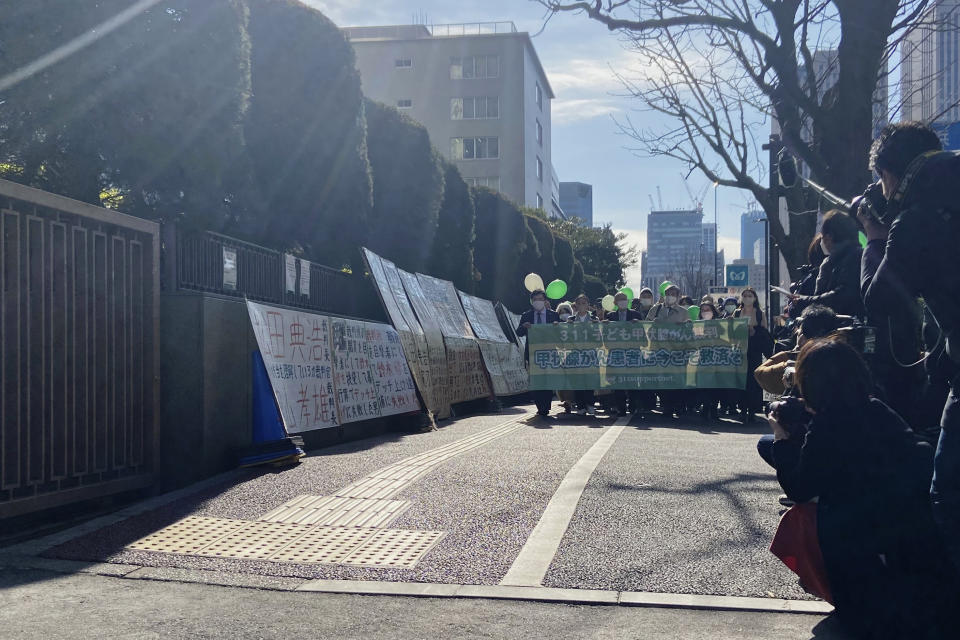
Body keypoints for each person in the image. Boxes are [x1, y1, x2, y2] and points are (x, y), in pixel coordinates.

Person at [768, 338, 953, 638]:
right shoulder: (876, 408)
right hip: (911, 533)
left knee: (802, 515)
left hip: (859, 542)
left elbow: (798, 488)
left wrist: (781, 440)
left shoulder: (827, 427)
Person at [859, 121, 960, 575]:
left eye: (883, 180)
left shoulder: (918, 216)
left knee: (949, 493)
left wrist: (877, 241)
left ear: (892, 173)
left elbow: (879, 297)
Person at [755, 305, 840, 470]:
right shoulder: (842, 353)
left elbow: (760, 374)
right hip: (847, 441)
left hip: (819, 436)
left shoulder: (808, 362)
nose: (796, 333)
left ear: (806, 335)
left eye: (800, 331)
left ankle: (807, 486)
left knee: (768, 440)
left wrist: (792, 362)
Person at [789, 210, 864, 319]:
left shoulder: (851, 258)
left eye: (823, 237)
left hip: (847, 328)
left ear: (829, 237)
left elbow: (841, 296)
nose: (822, 241)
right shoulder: (848, 257)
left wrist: (804, 300)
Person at [516, 289, 560, 416]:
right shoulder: (527, 315)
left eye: (540, 299)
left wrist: (557, 326)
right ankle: (540, 406)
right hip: (532, 354)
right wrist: (524, 326)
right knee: (536, 381)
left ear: (545, 300)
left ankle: (546, 406)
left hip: (549, 353)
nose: (538, 302)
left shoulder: (553, 315)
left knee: (547, 380)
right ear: (532, 301)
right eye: (535, 300)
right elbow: (518, 332)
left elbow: (562, 333)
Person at [734, 287, 771, 423]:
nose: (747, 298)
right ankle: (742, 409)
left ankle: (752, 409)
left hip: (754, 350)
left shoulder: (760, 313)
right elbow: (732, 330)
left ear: (755, 298)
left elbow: (764, 333)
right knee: (741, 379)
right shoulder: (737, 312)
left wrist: (753, 331)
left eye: (750, 296)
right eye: (745, 296)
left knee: (753, 379)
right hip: (740, 350)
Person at [569, 294, 598, 415]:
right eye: (579, 303)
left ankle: (590, 404)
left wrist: (596, 325)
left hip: (590, 354)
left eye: (584, 303)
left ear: (588, 305)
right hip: (576, 353)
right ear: (576, 305)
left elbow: (599, 337)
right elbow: (565, 335)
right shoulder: (571, 320)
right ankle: (580, 406)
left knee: (589, 380)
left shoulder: (594, 319)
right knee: (578, 380)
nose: (581, 305)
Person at [697, 301, 722, 420]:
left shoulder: (720, 324)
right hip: (703, 358)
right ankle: (705, 406)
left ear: (713, 311)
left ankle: (714, 408)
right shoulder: (697, 325)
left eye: (708, 309)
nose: (705, 312)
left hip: (717, 358)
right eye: (703, 310)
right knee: (704, 384)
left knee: (716, 384)